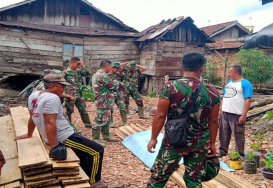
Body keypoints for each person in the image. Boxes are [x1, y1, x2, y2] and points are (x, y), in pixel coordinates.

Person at [15, 74, 105, 188]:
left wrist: (29, 134)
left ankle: (86, 175)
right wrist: (54, 146)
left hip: (57, 134)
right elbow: (50, 123)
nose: (63, 89)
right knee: (97, 150)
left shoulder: (34, 95)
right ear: (52, 85)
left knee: (82, 151)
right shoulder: (52, 98)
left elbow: (32, 116)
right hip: (63, 136)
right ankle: (94, 182)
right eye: (62, 86)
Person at [146, 52, 220, 187]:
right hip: (200, 141)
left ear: (181, 67)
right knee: (194, 178)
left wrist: (153, 138)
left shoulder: (170, 87)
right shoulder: (212, 91)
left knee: (159, 176)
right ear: (202, 68)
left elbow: (160, 115)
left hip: (174, 140)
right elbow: (214, 121)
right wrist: (213, 143)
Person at [217, 65, 253, 157]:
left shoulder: (246, 83)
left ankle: (239, 154)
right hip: (225, 111)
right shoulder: (229, 83)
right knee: (223, 133)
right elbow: (224, 96)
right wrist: (220, 109)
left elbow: (248, 100)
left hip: (236, 113)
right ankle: (222, 150)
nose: (228, 74)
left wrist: (244, 115)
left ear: (236, 72)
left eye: (230, 72)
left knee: (238, 134)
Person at [92, 60, 119, 146]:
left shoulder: (98, 74)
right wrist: (116, 82)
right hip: (103, 101)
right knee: (100, 119)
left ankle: (106, 136)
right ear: (107, 66)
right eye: (110, 67)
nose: (111, 69)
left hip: (105, 101)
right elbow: (114, 86)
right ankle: (95, 138)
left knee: (106, 119)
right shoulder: (102, 76)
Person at [63, 57, 92, 127]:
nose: (78, 66)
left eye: (79, 65)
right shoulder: (65, 72)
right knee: (69, 111)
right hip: (70, 95)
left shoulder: (78, 71)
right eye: (77, 64)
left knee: (83, 109)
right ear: (72, 63)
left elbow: (88, 73)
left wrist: (83, 65)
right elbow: (61, 84)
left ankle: (88, 124)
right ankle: (68, 126)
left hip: (79, 94)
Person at [108, 62, 128, 126]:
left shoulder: (119, 74)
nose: (116, 69)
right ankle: (110, 122)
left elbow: (126, 78)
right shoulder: (107, 74)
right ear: (112, 67)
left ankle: (125, 122)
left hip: (118, 93)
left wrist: (121, 70)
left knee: (123, 107)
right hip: (109, 94)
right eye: (115, 68)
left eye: (117, 68)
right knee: (110, 109)